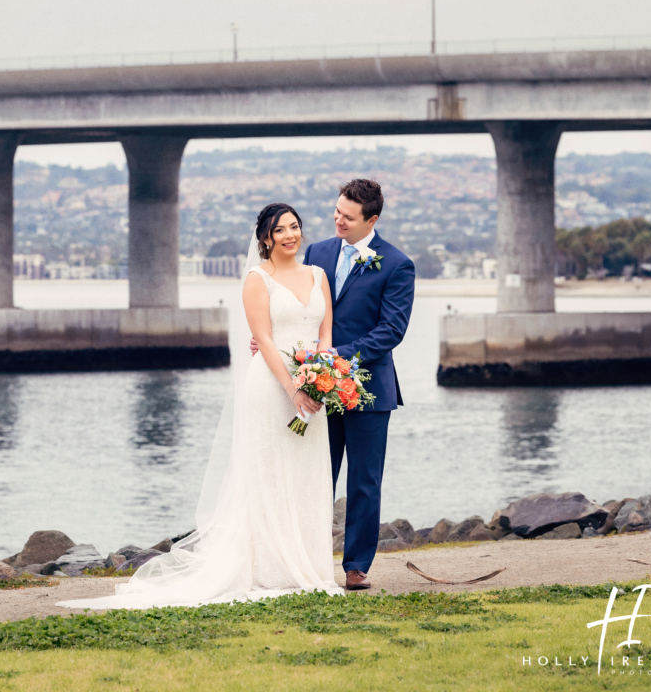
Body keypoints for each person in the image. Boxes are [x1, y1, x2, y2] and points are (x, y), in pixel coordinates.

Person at [58, 203, 343, 610]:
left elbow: (326, 332)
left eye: (295, 227)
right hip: (270, 387)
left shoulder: (318, 275)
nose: (290, 235)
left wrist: (322, 380)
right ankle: (270, 569)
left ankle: (312, 568)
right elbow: (262, 339)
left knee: (306, 475)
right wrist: (293, 388)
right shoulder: (257, 279)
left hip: (315, 391)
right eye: (281, 230)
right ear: (266, 238)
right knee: (269, 476)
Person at [291, 179, 414, 591]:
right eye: (337, 211)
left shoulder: (397, 264)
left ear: (371, 220)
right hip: (319, 389)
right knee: (315, 475)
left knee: (364, 481)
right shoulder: (318, 252)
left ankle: (356, 566)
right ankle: (306, 560)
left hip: (369, 391)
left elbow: (391, 331)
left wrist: (336, 357)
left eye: (347, 216)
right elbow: (303, 309)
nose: (337, 220)